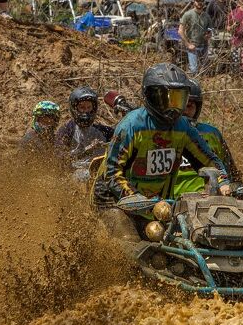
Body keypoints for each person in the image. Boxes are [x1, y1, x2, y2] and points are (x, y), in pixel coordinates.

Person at [92, 63, 231, 223]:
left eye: (178, 99)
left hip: (159, 204)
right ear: (150, 95)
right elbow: (112, 172)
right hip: (112, 198)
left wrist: (223, 183)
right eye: (166, 99)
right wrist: (137, 199)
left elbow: (210, 160)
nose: (173, 108)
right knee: (128, 241)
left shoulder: (183, 127)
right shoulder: (132, 126)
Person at [174, 79, 242, 198]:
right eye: (181, 106)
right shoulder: (163, 134)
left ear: (197, 108)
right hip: (171, 203)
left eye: (189, 106)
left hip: (211, 201)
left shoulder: (212, 133)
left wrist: (235, 190)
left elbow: (231, 173)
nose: (184, 111)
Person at [55, 87, 114, 179]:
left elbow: (120, 138)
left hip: (100, 171)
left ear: (93, 109)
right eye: (82, 107)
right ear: (74, 108)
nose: (86, 111)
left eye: (88, 107)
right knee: (85, 176)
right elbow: (61, 158)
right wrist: (86, 150)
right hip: (75, 172)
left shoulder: (104, 131)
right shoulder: (66, 130)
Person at [179, 0, 211, 74]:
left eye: (201, 1)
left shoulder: (206, 16)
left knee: (204, 71)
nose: (199, 3)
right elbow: (180, 31)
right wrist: (188, 44)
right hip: (193, 46)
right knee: (194, 70)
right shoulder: (188, 14)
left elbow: (210, 29)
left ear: (203, 3)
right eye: (197, 1)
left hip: (204, 46)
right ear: (194, 2)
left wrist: (209, 34)